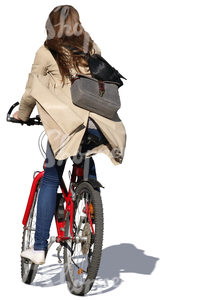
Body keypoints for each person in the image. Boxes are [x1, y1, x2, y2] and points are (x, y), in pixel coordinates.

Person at [16, 5, 126, 264]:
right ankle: (90, 202)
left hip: (65, 126)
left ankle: (39, 247)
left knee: (51, 178)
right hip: (96, 125)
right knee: (86, 161)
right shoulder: (90, 48)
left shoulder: (46, 52)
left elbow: (32, 89)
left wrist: (22, 114)